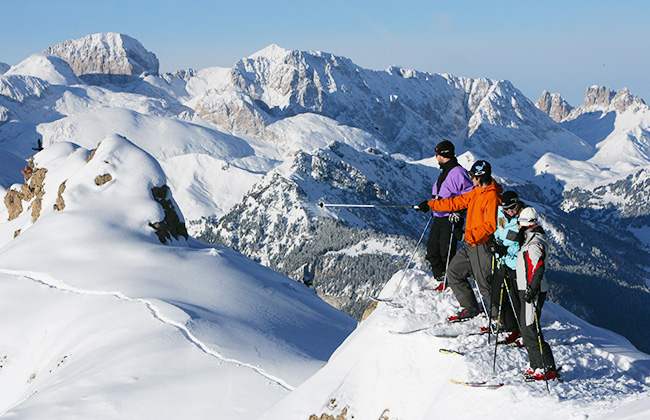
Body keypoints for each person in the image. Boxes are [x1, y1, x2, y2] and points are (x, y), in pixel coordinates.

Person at [417, 160, 501, 322]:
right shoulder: (476, 191)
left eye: (472, 176)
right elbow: (456, 202)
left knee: (484, 284)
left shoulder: (491, 196)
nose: (470, 178)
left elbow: (490, 226)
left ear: (480, 177)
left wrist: (467, 236)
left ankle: (498, 319)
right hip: (470, 244)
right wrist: (431, 204)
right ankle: (470, 307)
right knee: (454, 273)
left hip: (482, 245)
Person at [515, 206, 558, 381]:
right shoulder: (530, 239)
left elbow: (537, 269)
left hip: (532, 290)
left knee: (530, 328)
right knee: (527, 329)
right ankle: (536, 365)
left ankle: (546, 367)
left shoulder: (534, 244)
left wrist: (531, 290)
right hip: (528, 288)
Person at [424, 140, 473, 290]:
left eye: (437, 154)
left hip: (450, 217)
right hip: (439, 216)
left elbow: (469, 195)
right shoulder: (445, 171)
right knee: (432, 250)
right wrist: (430, 205)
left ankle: (451, 281)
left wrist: (459, 212)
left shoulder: (458, 172)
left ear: (442, 154)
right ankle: (442, 278)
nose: (435, 157)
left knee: (446, 251)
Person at [491, 191, 524, 344]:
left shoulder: (523, 218)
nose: (510, 211)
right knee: (497, 295)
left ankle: (524, 332)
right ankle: (511, 326)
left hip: (515, 264)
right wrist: (495, 241)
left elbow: (515, 238)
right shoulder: (501, 214)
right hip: (501, 261)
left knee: (517, 300)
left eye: (512, 207)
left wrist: (503, 247)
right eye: (506, 208)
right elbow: (499, 229)